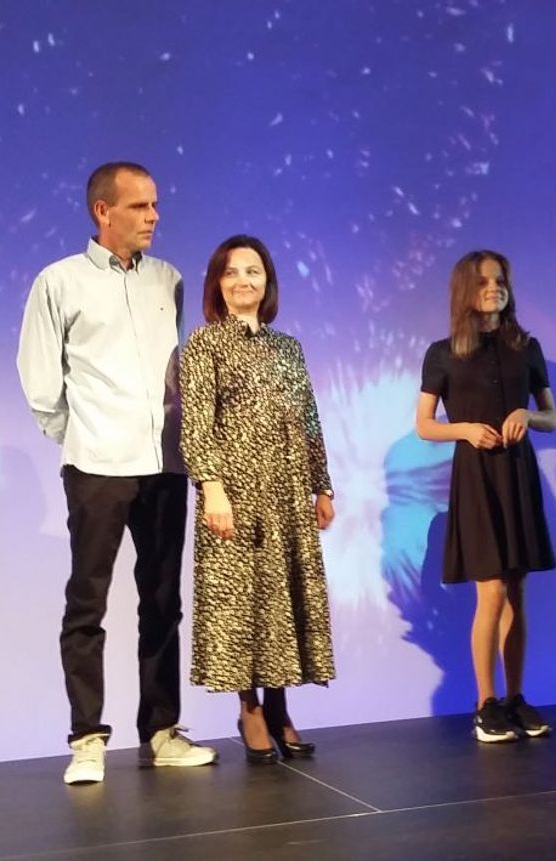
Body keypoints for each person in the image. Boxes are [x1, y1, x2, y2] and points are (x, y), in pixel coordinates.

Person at [17, 161, 216, 785]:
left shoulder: (168, 279)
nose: (154, 216)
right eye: (139, 206)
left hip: (164, 463)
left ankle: (161, 730)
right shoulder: (60, 281)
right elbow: (40, 380)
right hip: (98, 465)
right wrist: (79, 436)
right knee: (88, 602)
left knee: (163, 601)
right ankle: (86, 738)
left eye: (155, 205)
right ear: (103, 211)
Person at [180, 235, 337, 764]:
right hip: (235, 495)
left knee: (282, 600)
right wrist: (212, 487)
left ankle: (279, 705)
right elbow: (196, 425)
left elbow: (309, 420)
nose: (243, 280)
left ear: (267, 282)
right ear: (217, 284)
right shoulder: (204, 344)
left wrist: (322, 485)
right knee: (242, 604)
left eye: (253, 271)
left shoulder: (288, 347)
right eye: (231, 272)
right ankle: (248, 708)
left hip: (287, 492)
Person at [415, 249, 556, 743]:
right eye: (482, 282)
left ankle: (516, 698)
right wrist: (466, 430)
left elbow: (551, 417)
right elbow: (424, 425)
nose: (493, 287)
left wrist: (527, 415)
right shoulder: (442, 353)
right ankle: (485, 703)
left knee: (517, 588)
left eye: (499, 280)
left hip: (518, 473)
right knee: (492, 588)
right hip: (476, 477)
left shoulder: (527, 347)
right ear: (465, 290)